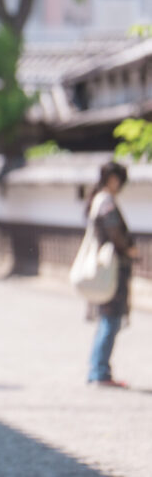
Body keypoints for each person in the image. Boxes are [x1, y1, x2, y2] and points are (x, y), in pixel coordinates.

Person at [84, 161, 138, 388]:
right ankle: (100, 370)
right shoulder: (105, 202)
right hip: (111, 267)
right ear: (113, 179)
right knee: (110, 318)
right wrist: (127, 247)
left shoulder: (97, 199)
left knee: (107, 318)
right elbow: (114, 230)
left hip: (106, 266)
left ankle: (98, 369)